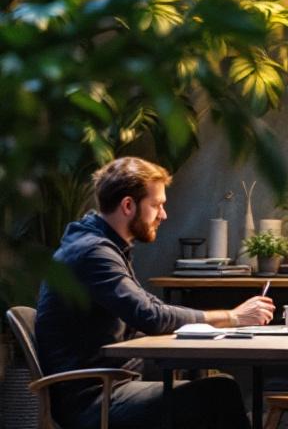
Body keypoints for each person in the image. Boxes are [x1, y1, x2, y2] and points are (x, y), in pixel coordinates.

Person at [36, 157, 275, 429]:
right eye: (156, 205)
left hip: (109, 387)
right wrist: (232, 317)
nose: (163, 214)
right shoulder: (94, 253)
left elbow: (148, 306)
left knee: (217, 387)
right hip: (95, 401)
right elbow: (150, 315)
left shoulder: (102, 246)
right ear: (128, 205)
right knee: (219, 392)